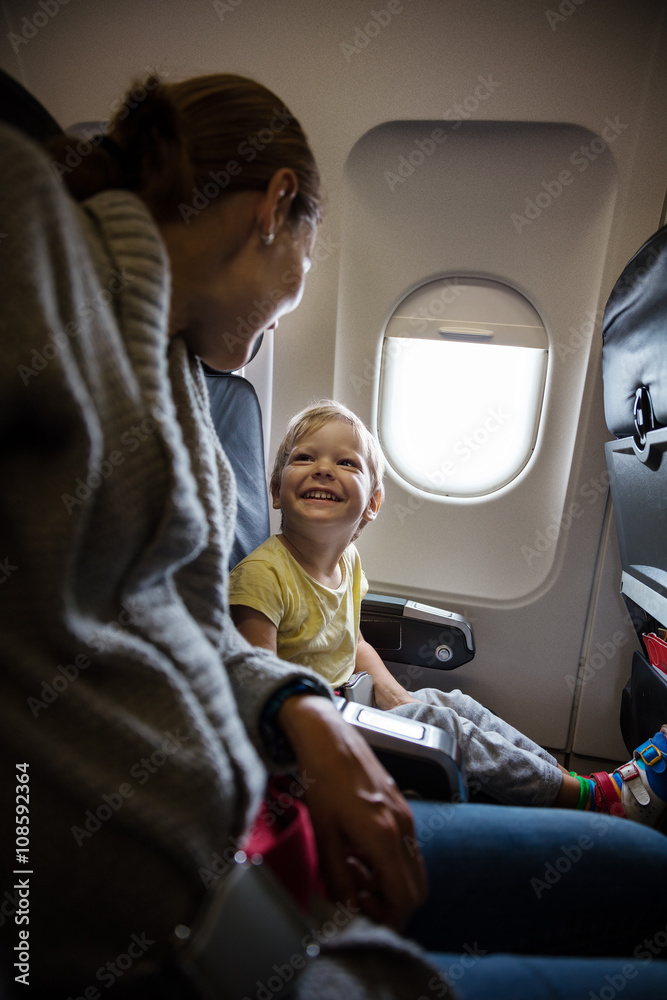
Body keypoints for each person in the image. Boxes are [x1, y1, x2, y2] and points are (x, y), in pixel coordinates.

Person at [0, 71, 666, 999]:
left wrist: (296, 710)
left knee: (647, 882)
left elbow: (182, 635)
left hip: (245, 847)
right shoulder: (30, 235)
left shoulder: (182, 367)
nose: (292, 303)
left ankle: (599, 797)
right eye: (311, 258)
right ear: (276, 206)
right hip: (152, 912)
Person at [229, 400, 667, 825]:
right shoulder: (263, 576)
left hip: (353, 708)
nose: (323, 468)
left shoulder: (348, 562)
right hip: (315, 741)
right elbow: (256, 682)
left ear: (372, 505)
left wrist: (394, 694)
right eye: (304, 457)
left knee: (453, 703)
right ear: (274, 491)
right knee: (438, 722)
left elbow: (354, 642)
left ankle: (566, 783)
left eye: (347, 463)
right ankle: (595, 799)